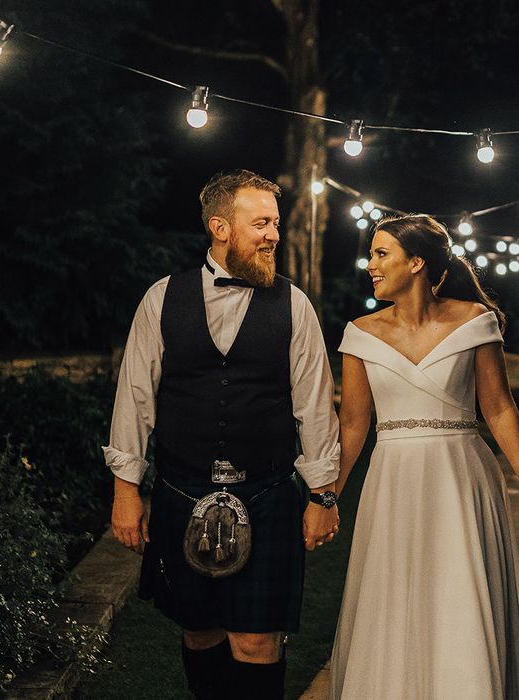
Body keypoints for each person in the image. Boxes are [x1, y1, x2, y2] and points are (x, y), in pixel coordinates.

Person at [103, 169, 341, 700]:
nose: (274, 235)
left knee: (257, 640)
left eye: (275, 223)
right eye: (261, 223)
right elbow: (135, 397)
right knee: (200, 630)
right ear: (220, 228)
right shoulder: (161, 298)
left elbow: (315, 406)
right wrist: (126, 489)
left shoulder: (294, 304)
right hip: (181, 489)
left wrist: (324, 493)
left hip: (269, 491)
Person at [330, 215, 519, 699]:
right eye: (372, 254)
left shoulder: (473, 321)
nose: (370, 265)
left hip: (461, 475)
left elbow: (499, 407)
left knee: (460, 589)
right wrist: (326, 496)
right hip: (393, 479)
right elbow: (354, 424)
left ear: (416, 262)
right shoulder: (358, 333)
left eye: (382, 254)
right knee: (395, 593)